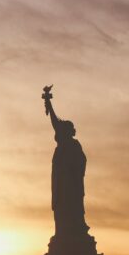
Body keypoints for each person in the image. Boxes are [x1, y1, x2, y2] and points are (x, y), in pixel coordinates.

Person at [43, 85, 89, 235]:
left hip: (72, 183)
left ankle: (76, 228)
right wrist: (49, 103)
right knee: (62, 209)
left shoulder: (74, 145)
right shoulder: (63, 145)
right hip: (61, 184)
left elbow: (82, 162)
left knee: (73, 206)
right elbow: (55, 123)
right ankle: (64, 232)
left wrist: (73, 170)